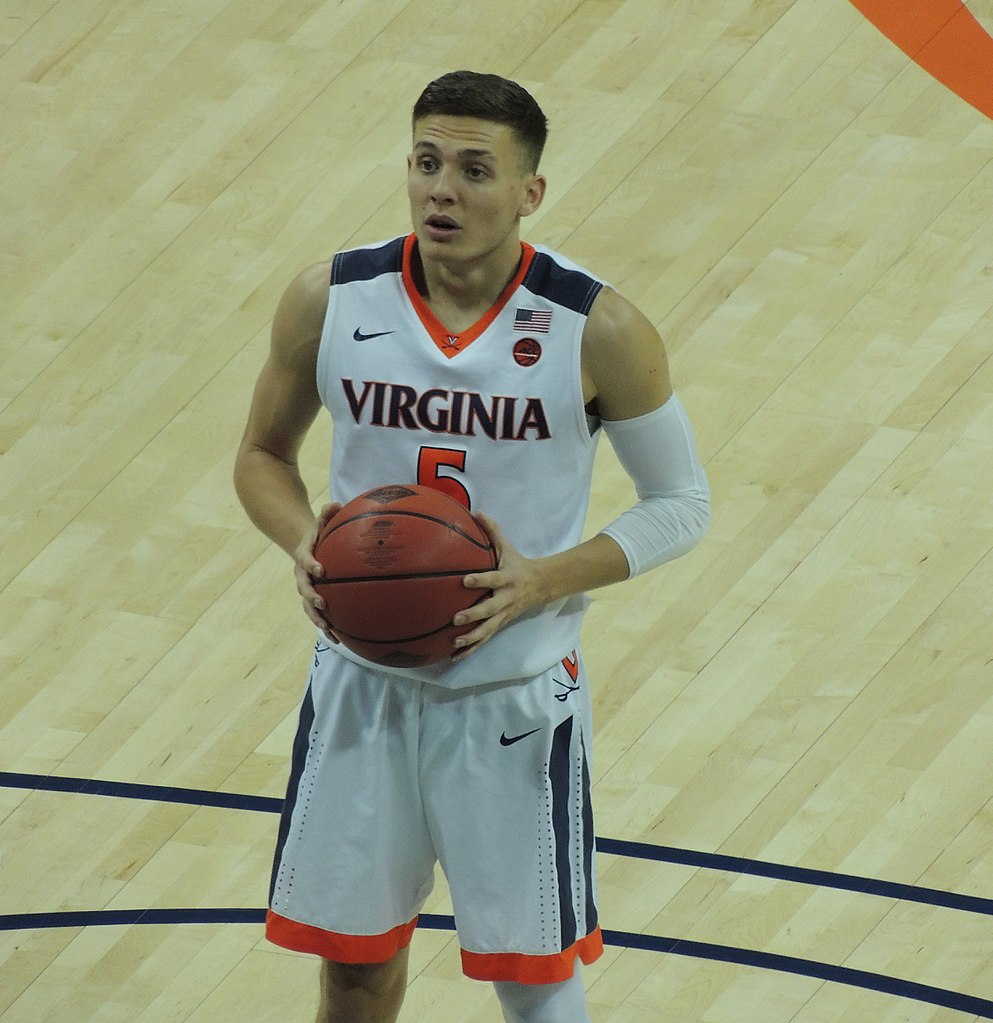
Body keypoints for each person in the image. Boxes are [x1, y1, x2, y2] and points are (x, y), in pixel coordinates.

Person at [234, 70, 710, 1023]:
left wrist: (541, 581)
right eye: (425, 162)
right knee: (352, 970)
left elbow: (680, 504)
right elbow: (260, 457)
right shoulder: (329, 299)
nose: (440, 189)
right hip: (361, 687)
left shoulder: (597, 328)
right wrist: (306, 540)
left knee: (528, 980)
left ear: (529, 192)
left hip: (512, 700)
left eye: (472, 169)